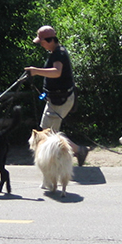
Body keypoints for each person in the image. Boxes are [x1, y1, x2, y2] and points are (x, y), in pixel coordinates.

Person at [25, 25, 89, 166]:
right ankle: (71, 153)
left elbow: (57, 72)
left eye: (42, 42)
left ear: (50, 40)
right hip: (56, 98)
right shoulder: (56, 52)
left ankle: (75, 152)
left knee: (49, 133)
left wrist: (35, 71)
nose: (41, 44)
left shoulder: (58, 53)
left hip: (60, 99)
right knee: (49, 132)